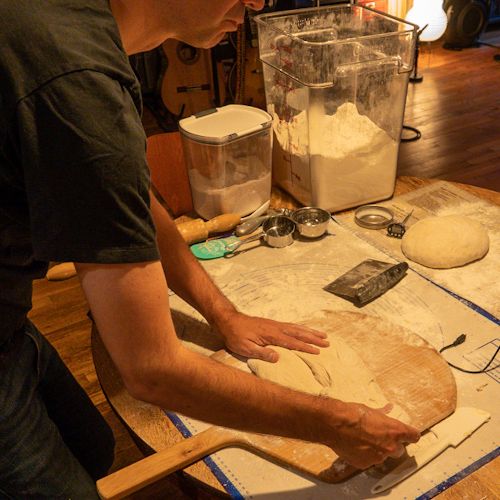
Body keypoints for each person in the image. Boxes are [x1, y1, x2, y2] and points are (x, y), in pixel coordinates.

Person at [0, 0, 420, 497]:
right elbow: (151, 371)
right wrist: (335, 424)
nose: (261, 2)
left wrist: (223, 315)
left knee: (91, 449)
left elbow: (130, 199)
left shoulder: (84, 25)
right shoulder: (76, 82)